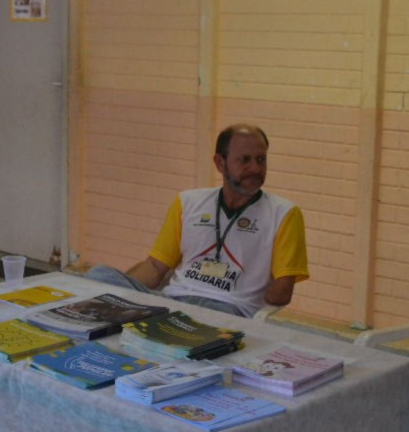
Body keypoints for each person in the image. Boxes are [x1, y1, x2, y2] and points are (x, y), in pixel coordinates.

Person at [87, 124, 309, 317]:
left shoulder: (284, 213)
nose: (255, 168)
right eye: (245, 160)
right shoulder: (188, 202)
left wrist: (256, 292)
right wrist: (121, 297)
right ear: (220, 163)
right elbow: (155, 267)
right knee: (99, 275)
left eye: (261, 160)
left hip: (226, 310)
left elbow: (281, 294)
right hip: (172, 301)